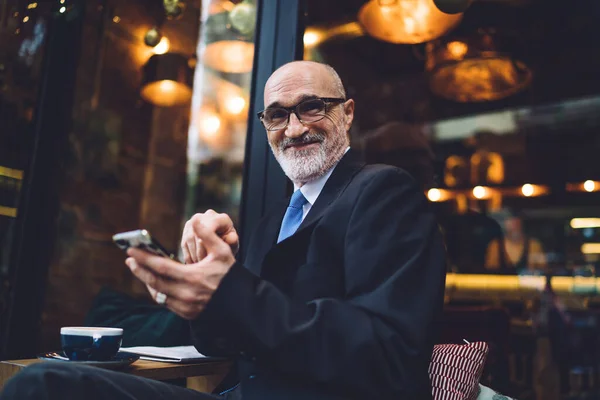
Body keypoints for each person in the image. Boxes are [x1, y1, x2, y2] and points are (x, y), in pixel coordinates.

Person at [1, 61, 447, 400]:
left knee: (44, 385)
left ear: (347, 114)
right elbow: (224, 340)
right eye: (277, 115)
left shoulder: (382, 190)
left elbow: (387, 354)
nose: (294, 128)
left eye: (312, 107)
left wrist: (230, 290)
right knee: (45, 381)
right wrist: (200, 286)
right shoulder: (272, 221)